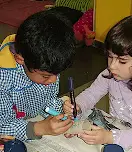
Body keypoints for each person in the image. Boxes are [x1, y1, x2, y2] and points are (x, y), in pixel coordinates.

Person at [63, 15, 132, 149]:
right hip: (115, 129)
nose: (112, 66)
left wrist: (110, 137)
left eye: (122, 61)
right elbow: (91, 94)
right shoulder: (109, 75)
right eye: (110, 57)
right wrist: (78, 105)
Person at [0, 9, 75, 141]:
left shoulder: (46, 66)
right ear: (20, 59)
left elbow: (47, 100)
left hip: (28, 119)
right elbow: (2, 128)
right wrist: (38, 128)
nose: (53, 80)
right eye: (46, 76)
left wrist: (62, 109)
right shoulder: (3, 78)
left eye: (57, 74)